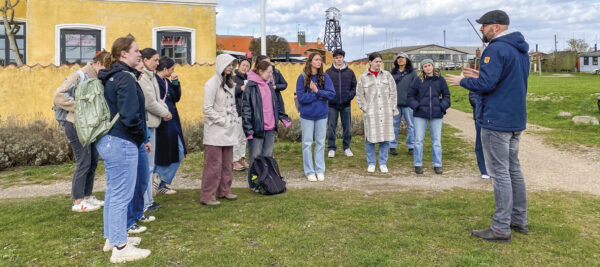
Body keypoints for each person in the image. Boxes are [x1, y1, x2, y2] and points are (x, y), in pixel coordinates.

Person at [446, 10, 530, 242]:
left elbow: (486, 84)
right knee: (514, 169)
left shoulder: (495, 48)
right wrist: (480, 73)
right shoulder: (520, 50)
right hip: (514, 118)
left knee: (500, 173)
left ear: (498, 26)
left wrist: (463, 80)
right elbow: (503, 80)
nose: (481, 29)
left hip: (496, 119)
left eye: (484, 25)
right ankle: (518, 219)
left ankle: (501, 227)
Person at [97, 35, 151, 263]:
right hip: (122, 141)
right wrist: (141, 138)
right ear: (123, 54)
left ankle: (112, 237)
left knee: (113, 193)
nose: (140, 54)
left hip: (109, 140)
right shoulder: (126, 78)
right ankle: (120, 248)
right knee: (121, 195)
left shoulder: (110, 77)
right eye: (136, 51)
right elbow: (131, 116)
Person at [53, 51, 110, 212]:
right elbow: (58, 96)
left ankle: (87, 196)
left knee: (92, 160)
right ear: (98, 64)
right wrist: (81, 107)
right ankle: (77, 201)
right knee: (83, 161)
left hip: (89, 127)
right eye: (105, 67)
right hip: (75, 125)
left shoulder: (96, 77)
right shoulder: (79, 75)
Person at [242, 60, 292, 190]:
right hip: (257, 129)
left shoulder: (269, 84)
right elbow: (246, 109)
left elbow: (275, 104)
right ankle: (254, 183)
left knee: (268, 157)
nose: (271, 75)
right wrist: (248, 129)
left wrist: (282, 117)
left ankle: (267, 181)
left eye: (271, 72)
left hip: (270, 128)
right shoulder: (251, 86)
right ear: (260, 71)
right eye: (269, 72)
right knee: (255, 158)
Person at [200, 54, 239, 206]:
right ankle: (207, 195)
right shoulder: (211, 84)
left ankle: (225, 190)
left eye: (232, 65)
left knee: (227, 163)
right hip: (215, 130)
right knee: (213, 165)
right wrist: (222, 120)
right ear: (221, 65)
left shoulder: (230, 83)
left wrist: (233, 119)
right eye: (229, 64)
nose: (231, 67)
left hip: (228, 129)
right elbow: (207, 109)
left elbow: (232, 105)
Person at [138, 48, 171, 213]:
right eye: (155, 60)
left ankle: (149, 200)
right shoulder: (143, 77)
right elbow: (149, 102)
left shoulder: (150, 76)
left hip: (153, 123)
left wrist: (165, 109)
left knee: (150, 165)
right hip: (147, 124)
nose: (158, 63)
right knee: (147, 166)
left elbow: (158, 99)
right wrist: (165, 112)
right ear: (145, 60)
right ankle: (145, 202)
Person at [356, 52, 398, 173]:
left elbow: (393, 92)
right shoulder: (363, 77)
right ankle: (371, 163)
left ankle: (383, 163)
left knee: (385, 138)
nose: (378, 64)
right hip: (371, 113)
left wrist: (391, 107)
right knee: (370, 139)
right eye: (376, 62)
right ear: (370, 62)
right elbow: (359, 95)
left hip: (385, 112)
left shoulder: (387, 76)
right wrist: (365, 108)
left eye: (380, 62)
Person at [296, 52, 336, 181]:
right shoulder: (302, 78)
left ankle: (319, 170)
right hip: (307, 116)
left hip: (322, 115)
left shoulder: (325, 77)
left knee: (320, 143)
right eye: (316, 59)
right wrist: (316, 94)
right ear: (310, 62)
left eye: (320, 60)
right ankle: (309, 171)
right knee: (307, 144)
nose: (319, 62)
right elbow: (301, 98)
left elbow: (331, 94)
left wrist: (318, 91)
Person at [407, 59, 451, 175]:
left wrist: (442, 107)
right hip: (420, 115)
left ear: (433, 66)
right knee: (418, 140)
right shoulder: (418, 80)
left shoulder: (440, 80)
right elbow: (410, 96)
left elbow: (447, 96)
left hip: (436, 115)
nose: (427, 68)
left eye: (429, 65)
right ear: (422, 68)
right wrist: (416, 106)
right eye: (425, 66)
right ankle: (418, 164)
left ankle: (437, 164)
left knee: (436, 141)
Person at [154, 56, 187, 195]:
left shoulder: (166, 82)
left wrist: (175, 83)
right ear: (165, 68)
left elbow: (176, 98)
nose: (173, 71)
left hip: (172, 121)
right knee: (165, 153)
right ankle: (158, 179)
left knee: (177, 151)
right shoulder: (154, 82)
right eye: (172, 69)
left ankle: (161, 181)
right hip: (162, 122)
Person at [325, 48, 357, 158]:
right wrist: (330, 97)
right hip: (332, 105)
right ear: (334, 59)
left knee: (347, 127)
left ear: (343, 58)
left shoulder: (350, 72)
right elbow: (324, 87)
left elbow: (354, 87)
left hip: (346, 104)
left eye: (341, 57)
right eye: (337, 57)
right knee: (331, 127)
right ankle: (331, 148)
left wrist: (349, 96)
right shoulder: (328, 72)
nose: (339, 59)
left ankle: (347, 147)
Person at [390, 52, 418, 156]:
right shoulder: (392, 73)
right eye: (398, 58)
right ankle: (392, 145)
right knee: (394, 125)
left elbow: (416, 88)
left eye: (403, 58)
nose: (400, 60)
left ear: (407, 60)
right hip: (395, 104)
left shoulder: (412, 73)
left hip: (408, 104)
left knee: (411, 126)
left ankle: (411, 146)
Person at [233, 57, 251, 171]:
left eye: (247, 66)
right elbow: (230, 92)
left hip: (246, 110)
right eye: (243, 65)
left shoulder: (249, 78)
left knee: (244, 137)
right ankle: (234, 160)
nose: (245, 67)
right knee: (236, 136)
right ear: (239, 65)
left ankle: (241, 158)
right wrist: (241, 88)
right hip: (236, 110)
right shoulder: (233, 77)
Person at [469, 91, 490, 179]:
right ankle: (484, 170)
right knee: (480, 143)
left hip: (495, 118)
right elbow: (473, 98)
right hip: (480, 118)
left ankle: (495, 169)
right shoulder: (476, 79)